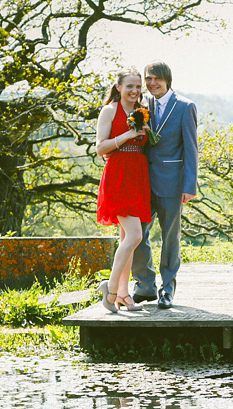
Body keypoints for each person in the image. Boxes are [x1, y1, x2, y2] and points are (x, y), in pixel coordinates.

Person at [130, 61, 199, 310]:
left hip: (172, 181)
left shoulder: (185, 106)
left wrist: (190, 185)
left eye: (156, 79)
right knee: (136, 235)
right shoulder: (141, 106)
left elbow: (191, 147)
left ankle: (167, 289)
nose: (151, 83)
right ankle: (145, 284)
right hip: (142, 181)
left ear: (167, 79)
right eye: (148, 79)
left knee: (170, 239)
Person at [95, 67, 153, 313]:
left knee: (126, 239)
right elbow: (100, 147)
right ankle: (108, 288)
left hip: (138, 175)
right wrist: (128, 134)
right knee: (135, 237)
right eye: (129, 86)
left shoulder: (143, 112)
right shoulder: (109, 111)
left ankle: (123, 294)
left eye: (138, 86)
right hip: (118, 175)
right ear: (118, 87)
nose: (135, 90)